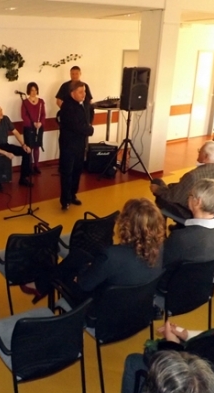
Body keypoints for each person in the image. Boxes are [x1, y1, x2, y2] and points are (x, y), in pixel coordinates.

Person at [57, 198, 165, 319]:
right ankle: (46, 281)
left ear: (126, 224)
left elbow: (85, 285)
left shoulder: (112, 255)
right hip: (138, 310)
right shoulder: (159, 248)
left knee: (67, 271)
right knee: (78, 255)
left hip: (103, 314)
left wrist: (83, 272)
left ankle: (47, 282)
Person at [150, 140, 214, 220]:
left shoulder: (193, 176)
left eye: (199, 151)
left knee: (157, 183)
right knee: (171, 186)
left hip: (189, 211)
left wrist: (158, 190)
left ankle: (160, 226)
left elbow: (173, 197)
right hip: (211, 208)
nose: (198, 152)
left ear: (205, 156)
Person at [162, 178, 214, 269]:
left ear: (198, 202)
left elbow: (160, 264)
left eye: (190, 195)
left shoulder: (180, 238)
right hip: (205, 277)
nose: (188, 197)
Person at [58, 81, 94, 210]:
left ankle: (73, 195)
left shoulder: (85, 103)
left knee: (77, 170)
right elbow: (76, 126)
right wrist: (90, 130)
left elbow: (90, 114)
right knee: (67, 172)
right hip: (68, 144)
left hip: (80, 143)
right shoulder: (67, 106)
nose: (83, 94)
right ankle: (65, 200)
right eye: (80, 92)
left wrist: (89, 125)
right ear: (72, 93)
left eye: (84, 91)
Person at [0, 104, 33, 192]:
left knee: (26, 152)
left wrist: (24, 145)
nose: (1, 113)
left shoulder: (5, 119)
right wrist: (6, 153)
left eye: (1, 110)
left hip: (5, 145)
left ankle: (23, 178)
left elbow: (15, 132)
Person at [21, 82, 46, 175]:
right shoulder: (25, 102)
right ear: (29, 91)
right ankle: (29, 166)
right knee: (29, 148)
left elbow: (43, 114)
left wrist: (40, 123)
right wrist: (33, 123)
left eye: (35, 90)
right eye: (32, 90)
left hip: (39, 127)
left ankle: (36, 166)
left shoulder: (41, 101)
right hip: (29, 128)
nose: (34, 92)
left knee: (37, 147)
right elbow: (24, 115)